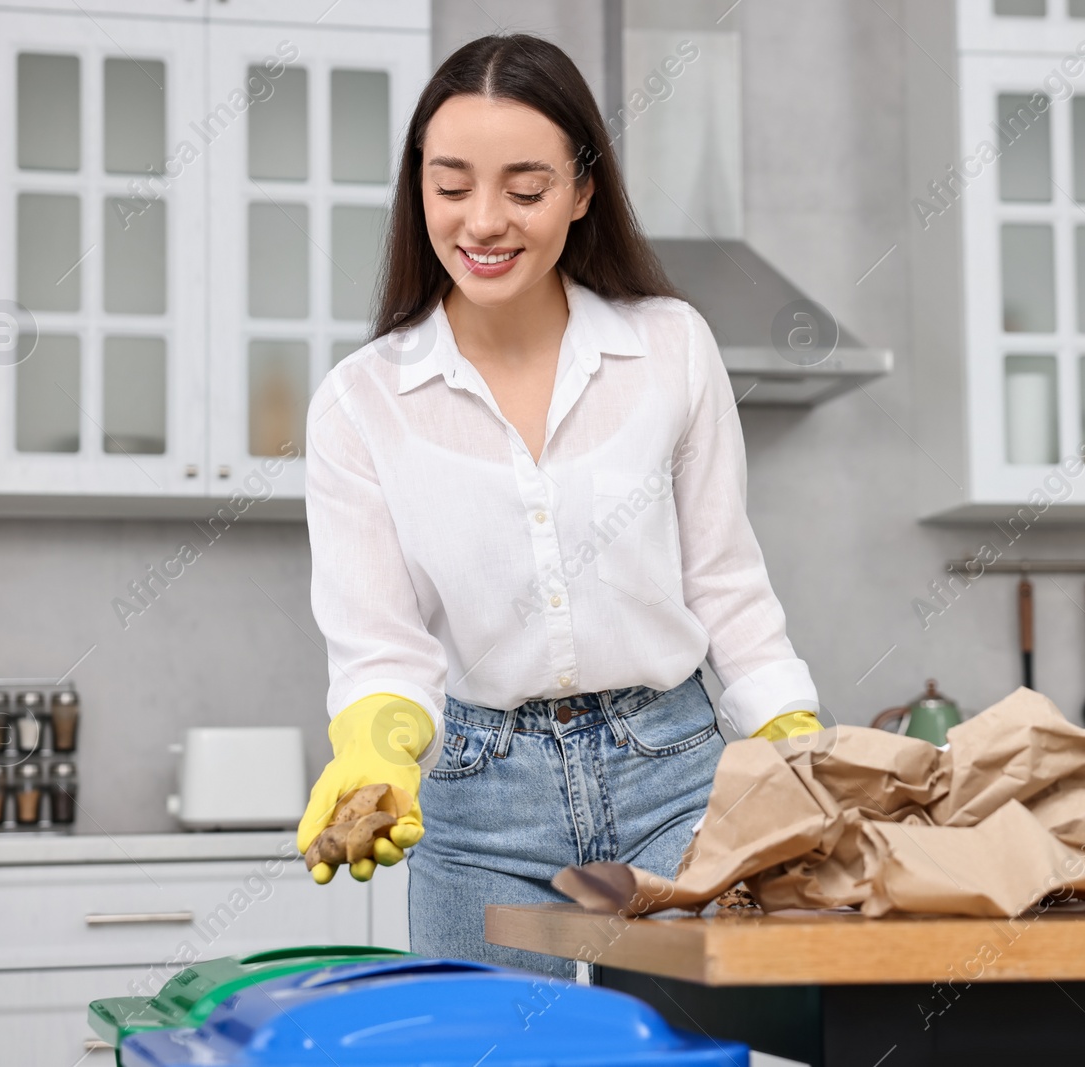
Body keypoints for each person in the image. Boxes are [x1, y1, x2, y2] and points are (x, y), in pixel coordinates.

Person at [297, 33, 822, 979]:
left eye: (525, 189)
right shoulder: (359, 401)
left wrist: (796, 740)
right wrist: (374, 749)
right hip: (477, 804)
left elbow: (725, 583)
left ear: (583, 191)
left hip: (678, 781)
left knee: (684, 1049)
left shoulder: (671, 348)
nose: (484, 221)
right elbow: (381, 644)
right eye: (451, 186)